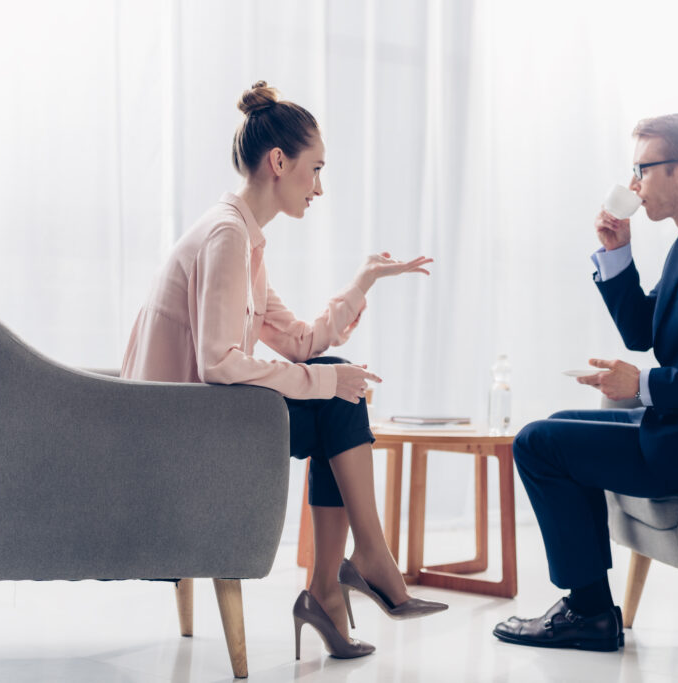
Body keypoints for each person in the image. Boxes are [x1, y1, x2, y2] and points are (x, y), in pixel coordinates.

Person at [121, 81, 447, 660]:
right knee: (334, 388)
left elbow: (298, 343)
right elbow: (219, 363)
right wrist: (327, 381)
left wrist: (362, 281)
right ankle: (357, 569)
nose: (319, 187)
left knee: (334, 386)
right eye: (315, 170)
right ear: (279, 162)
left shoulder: (244, 238)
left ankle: (337, 582)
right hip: (174, 435)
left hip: (193, 419)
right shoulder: (227, 237)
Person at [493, 112, 678, 651]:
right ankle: (592, 610)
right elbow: (643, 332)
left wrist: (645, 386)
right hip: (675, 425)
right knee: (554, 428)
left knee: (537, 442)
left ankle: (588, 613)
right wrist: (617, 252)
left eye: (642, 169)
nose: (633, 185)